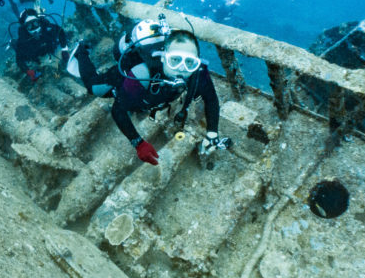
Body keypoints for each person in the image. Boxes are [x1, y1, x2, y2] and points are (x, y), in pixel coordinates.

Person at [67, 17, 230, 165]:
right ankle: (81, 51)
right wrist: (138, 142)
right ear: (163, 57)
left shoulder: (198, 73)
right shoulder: (142, 73)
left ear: (197, 62)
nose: (182, 69)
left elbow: (211, 100)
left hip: (150, 91)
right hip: (131, 77)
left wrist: (212, 134)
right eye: (174, 60)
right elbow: (118, 109)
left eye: (190, 62)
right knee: (95, 88)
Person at [14, 8, 68, 83]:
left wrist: (64, 49)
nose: (34, 28)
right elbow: (19, 59)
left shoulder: (47, 28)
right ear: (25, 28)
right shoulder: (23, 40)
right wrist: (28, 71)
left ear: (39, 22)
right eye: (29, 26)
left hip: (50, 51)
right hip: (35, 58)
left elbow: (60, 31)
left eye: (36, 23)